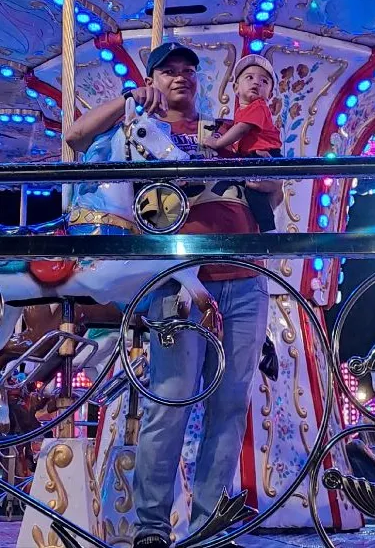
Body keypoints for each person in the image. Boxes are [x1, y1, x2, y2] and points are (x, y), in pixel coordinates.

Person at [66, 41, 284, 548]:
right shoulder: (138, 132)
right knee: (170, 402)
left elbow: (271, 185)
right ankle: (151, 527)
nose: (181, 77)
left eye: (189, 70)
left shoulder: (222, 131)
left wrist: (267, 180)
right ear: (152, 81)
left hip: (244, 277)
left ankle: (209, 522)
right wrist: (128, 100)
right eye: (168, 71)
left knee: (230, 405)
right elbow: (76, 138)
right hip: (178, 281)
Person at [204, 55, 282, 233]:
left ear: (269, 94)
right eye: (250, 77)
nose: (257, 83)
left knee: (255, 193)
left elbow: (241, 129)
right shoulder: (245, 110)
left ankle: (269, 230)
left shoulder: (259, 106)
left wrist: (217, 143)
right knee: (250, 191)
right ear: (236, 88)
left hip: (262, 153)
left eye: (264, 81)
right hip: (253, 155)